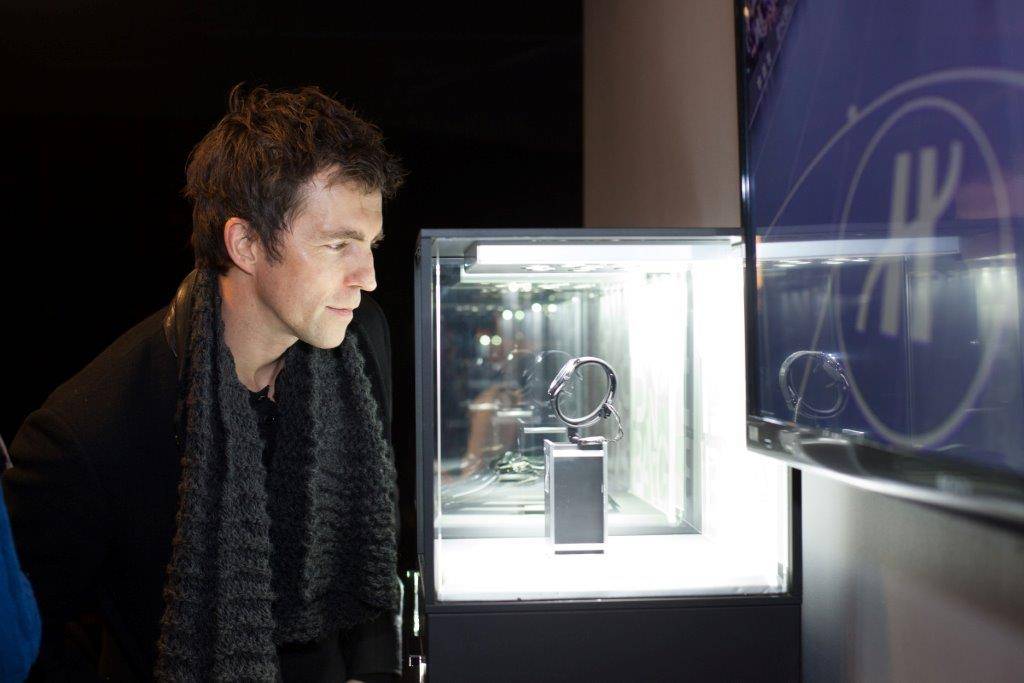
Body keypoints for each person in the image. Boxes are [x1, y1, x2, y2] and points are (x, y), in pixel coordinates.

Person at [2, 84, 406, 682]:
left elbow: (373, 557)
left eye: (369, 245)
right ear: (245, 243)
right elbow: (24, 641)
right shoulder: (89, 430)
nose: (368, 278)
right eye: (337, 245)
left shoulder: (362, 338)